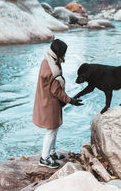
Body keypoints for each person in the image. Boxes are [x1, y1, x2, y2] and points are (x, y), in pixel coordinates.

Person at [32, 38, 83, 169]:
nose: (65, 55)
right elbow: (57, 91)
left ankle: (52, 152)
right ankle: (44, 158)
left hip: (44, 100)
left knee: (54, 128)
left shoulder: (47, 60)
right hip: (50, 104)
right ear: (59, 52)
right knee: (51, 131)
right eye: (64, 53)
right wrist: (71, 100)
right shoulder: (53, 70)